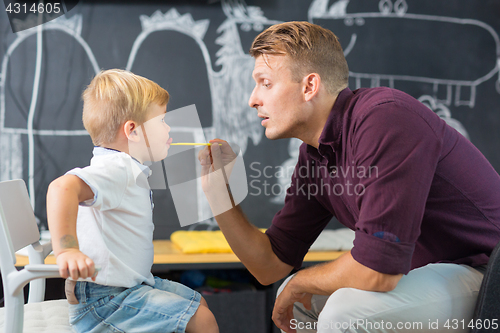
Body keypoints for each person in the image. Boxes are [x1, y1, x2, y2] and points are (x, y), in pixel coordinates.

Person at [198, 22, 500, 333]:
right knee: (306, 304)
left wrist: (300, 280)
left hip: (487, 272)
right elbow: (269, 265)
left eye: (265, 83)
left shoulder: (385, 118)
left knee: (345, 313)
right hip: (432, 273)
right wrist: (219, 195)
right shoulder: (315, 156)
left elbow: (378, 270)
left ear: (309, 86)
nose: (253, 99)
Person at [47, 69, 219, 333]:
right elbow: (62, 187)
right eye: (162, 120)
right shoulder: (117, 169)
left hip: (126, 288)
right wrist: (67, 250)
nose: (169, 127)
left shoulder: (124, 168)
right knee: (201, 319)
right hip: (105, 301)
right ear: (133, 131)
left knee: (198, 304)